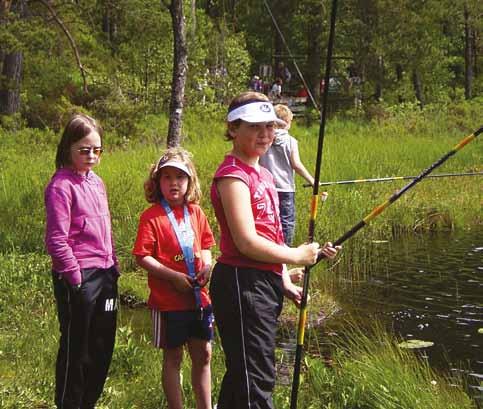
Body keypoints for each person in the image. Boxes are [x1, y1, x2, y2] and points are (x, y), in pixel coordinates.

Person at [209, 91, 340, 409]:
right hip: (242, 284)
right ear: (233, 129)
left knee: (244, 377)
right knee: (256, 380)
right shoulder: (233, 177)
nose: (265, 134)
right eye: (255, 126)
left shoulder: (263, 174)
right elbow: (246, 241)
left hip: (262, 284)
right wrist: (296, 255)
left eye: (270, 126)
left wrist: (283, 281)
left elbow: (270, 236)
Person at [45, 113, 119, 409]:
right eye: (84, 149)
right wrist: (75, 277)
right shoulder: (60, 186)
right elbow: (56, 240)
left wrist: (112, 264)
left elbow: (105, 227)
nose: (91, 155)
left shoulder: (97, 182)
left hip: (105, 274)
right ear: (68, 148)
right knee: (78, 348)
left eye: (96, 149)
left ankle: (88, 402)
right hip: (79, 277)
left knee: (102, 346)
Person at [133, 147, 216, 409]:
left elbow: (206, 245)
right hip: (168, 301)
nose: (173, 183)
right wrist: (171, 276)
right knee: (173, 357)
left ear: (190, 181)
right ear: (157, 183)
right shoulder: (151, 217)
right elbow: (142, 256)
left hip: (199, 299)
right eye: (166, 177)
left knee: (203, 354)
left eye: (179, 177)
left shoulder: (197, 213)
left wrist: (207, 265)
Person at [259, 104, 315, 246]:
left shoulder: (265, 139)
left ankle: (269, 248)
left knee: (268, 220)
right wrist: (312, 180)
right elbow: (296, 164)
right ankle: (285, 251)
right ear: (287, 122)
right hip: (285, 188)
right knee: (287, 222)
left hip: (265, 187)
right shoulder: (291, 141)